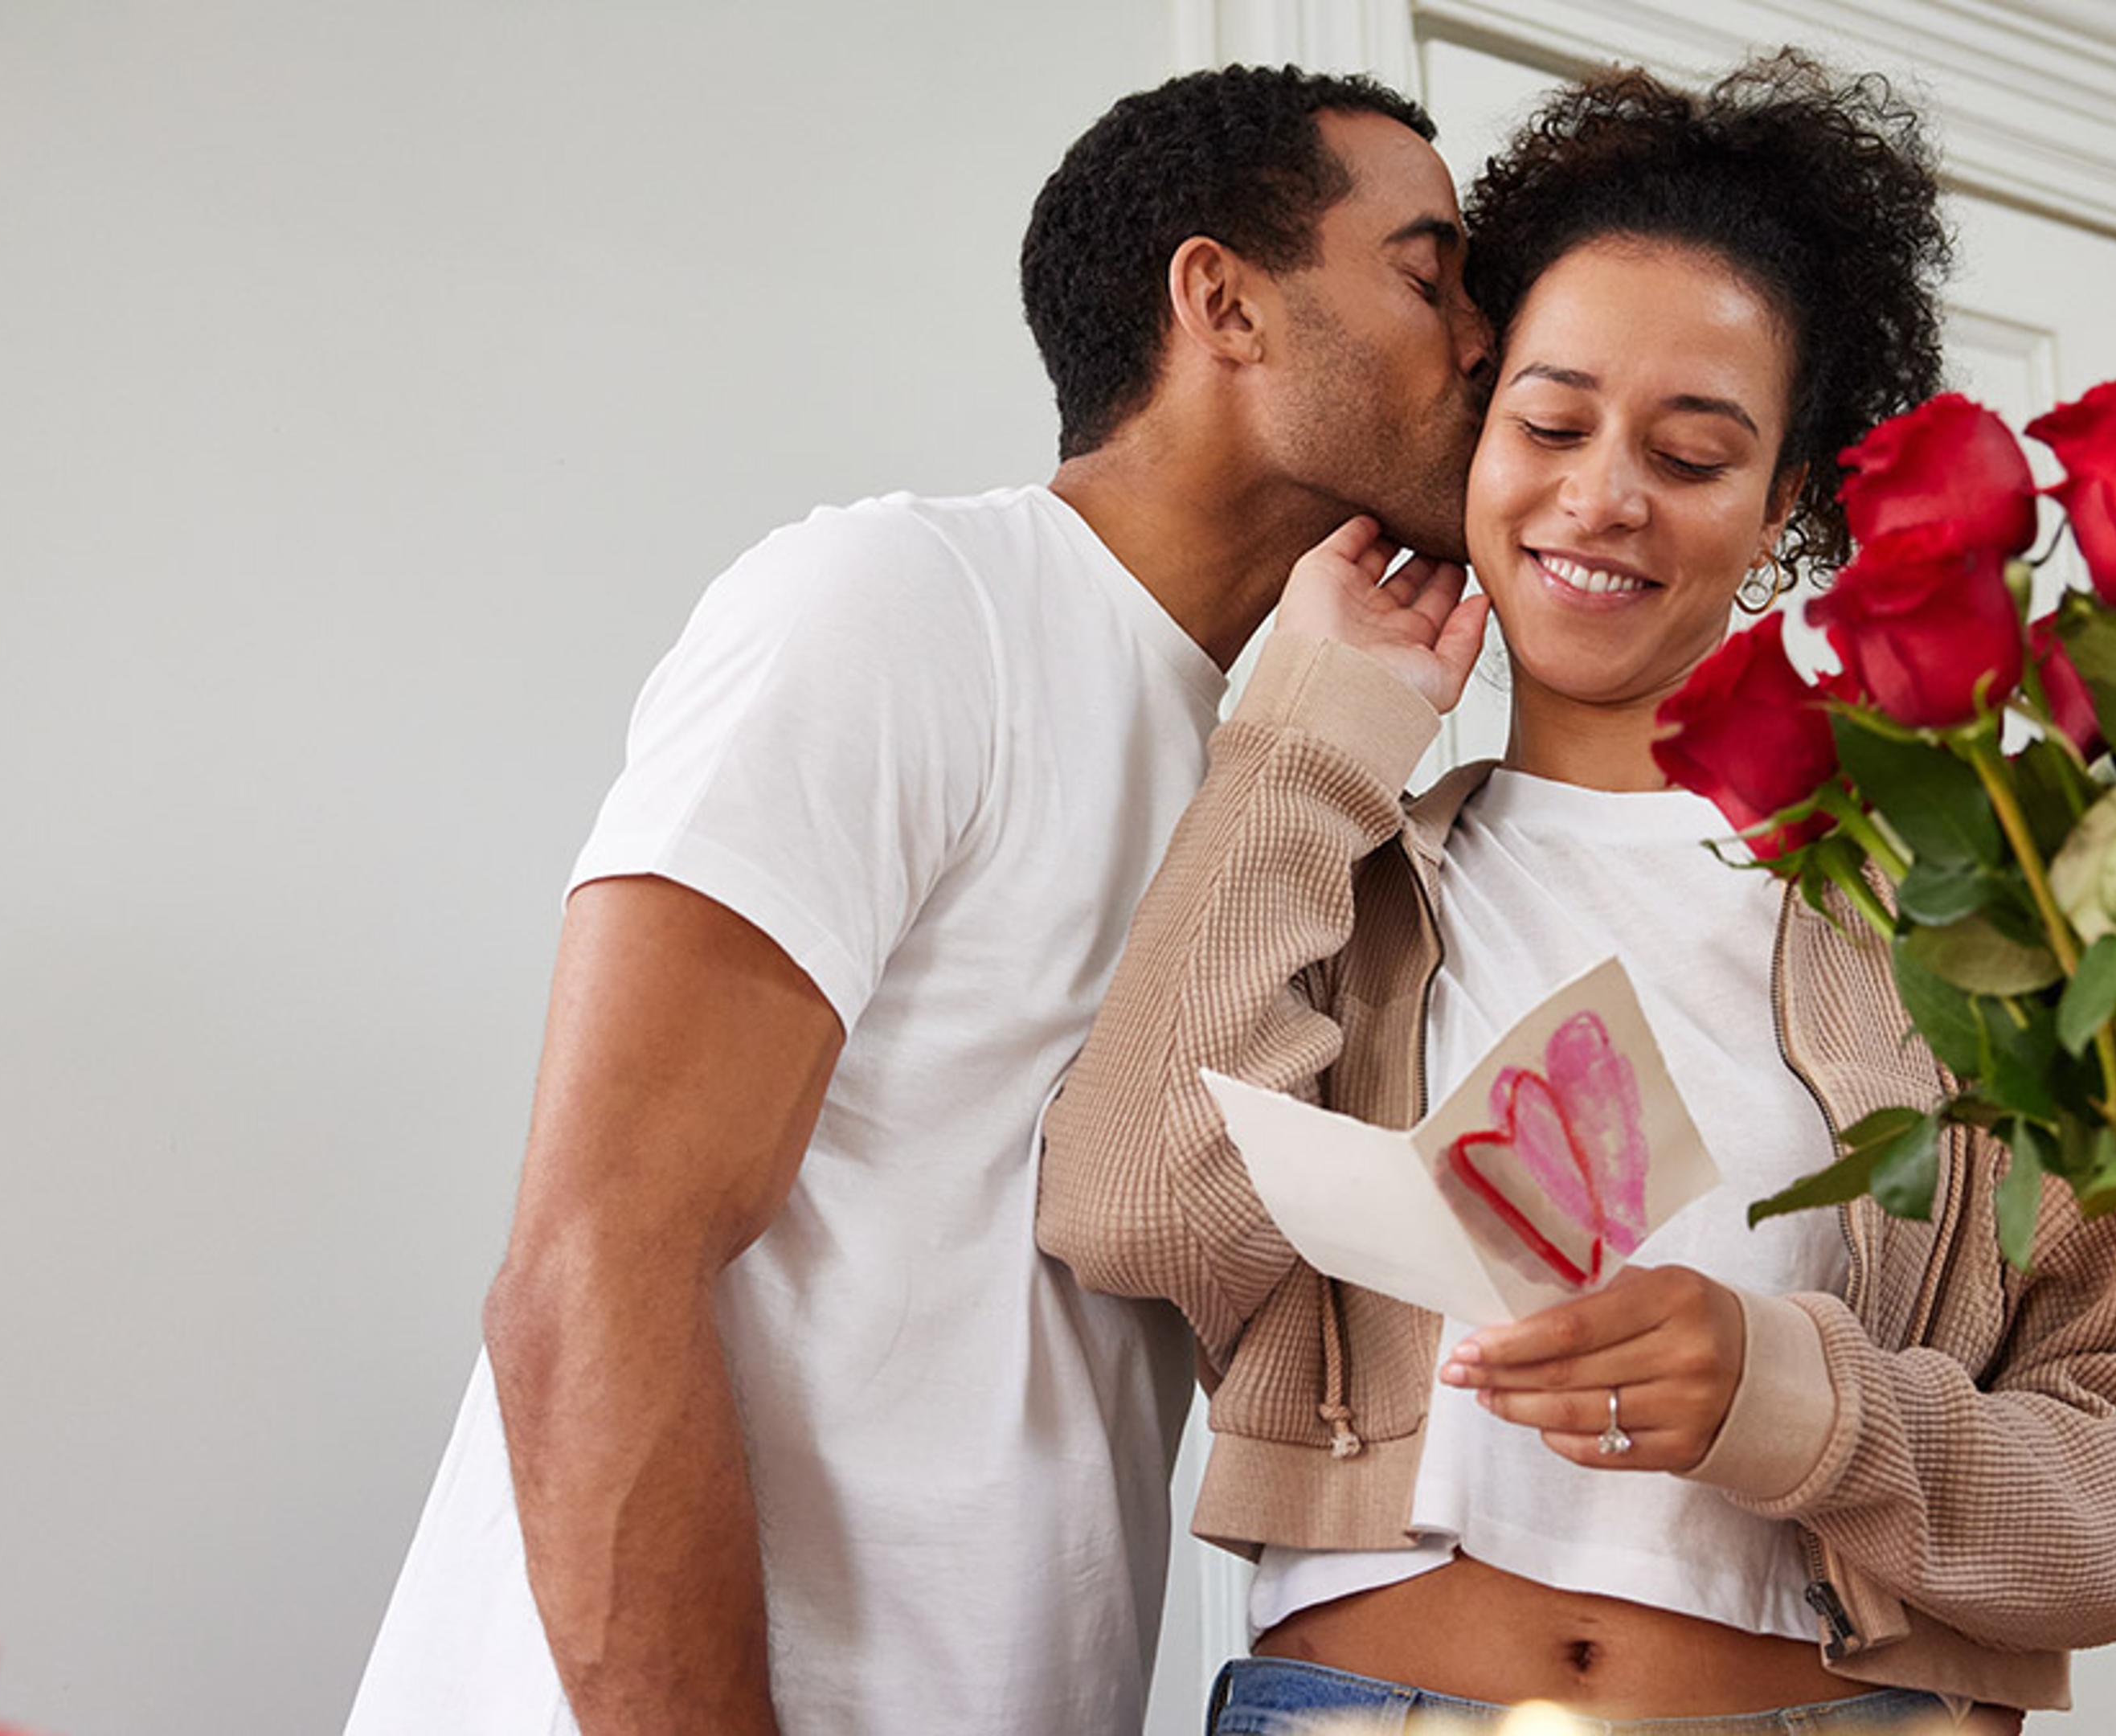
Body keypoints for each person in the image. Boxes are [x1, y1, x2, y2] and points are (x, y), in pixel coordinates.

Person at [1038, 55, 2116, 1734]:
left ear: (1784, 501)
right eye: (1553, 422)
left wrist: (1795, 1403)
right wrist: (1300, 746)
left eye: (1695, 452)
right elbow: (1128, 1212)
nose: (1603, 497)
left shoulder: (1971, 920)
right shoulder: (1339, 870)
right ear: (1479, 431)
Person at [345, 64, 1493, 1736]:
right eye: (1429, 269)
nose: (1481, 334)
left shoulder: (1278, 775)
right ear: (1222, 303)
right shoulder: (898, 603)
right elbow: (593, 1266)